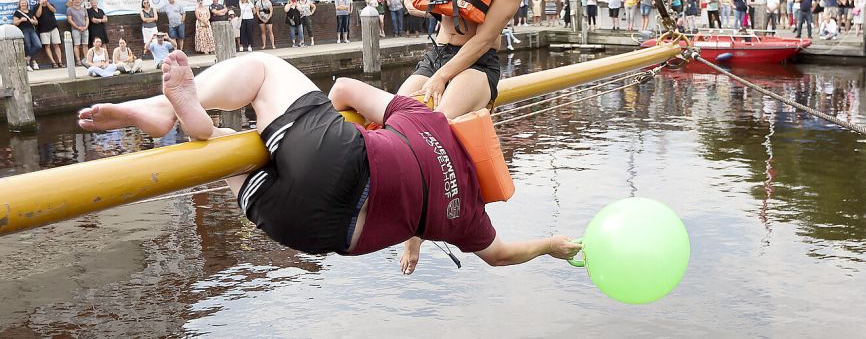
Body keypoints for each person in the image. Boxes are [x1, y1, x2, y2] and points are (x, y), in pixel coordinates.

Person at [77, 51, 582, 269]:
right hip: (316, 233)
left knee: (263, 72)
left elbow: (342, 89)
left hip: (344, 161)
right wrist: (552, 245)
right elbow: (501, 256)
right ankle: (199, 128)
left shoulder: (429, 123)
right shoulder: (467, 217)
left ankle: (171, 110)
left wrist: (381, 111)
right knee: (223, 158)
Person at [12, 0, 41, 71]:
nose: (23, 4)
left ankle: (27, 59)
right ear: (19, 4)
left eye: (25, 3)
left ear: (27, 4)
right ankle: (31, 64)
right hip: (23, 30)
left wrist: (33, 21)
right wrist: (21, 20)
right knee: (28, 46)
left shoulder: (31, 11)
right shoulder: (17, 12)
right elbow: (15, 23)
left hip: (32, 30)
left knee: (38, 45)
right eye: (22, 3)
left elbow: (36, 22)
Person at [66, 0, 89, 65]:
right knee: (77, 45)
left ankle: (86, 59)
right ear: (72, 1)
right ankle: (78, 60)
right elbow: (69, 20)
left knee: (85, 44)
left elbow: (87, 19)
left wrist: (86, 26)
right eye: (75, 0)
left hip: (85, 29)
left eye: (78, 0)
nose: (77, 1)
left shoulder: (84, 9)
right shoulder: (69, 9)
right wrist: (77, 27)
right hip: (75, 30)